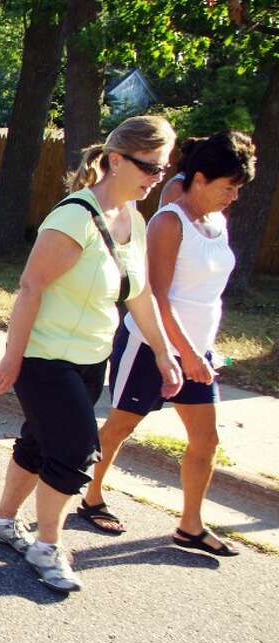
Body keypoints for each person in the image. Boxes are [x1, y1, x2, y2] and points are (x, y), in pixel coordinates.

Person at [0, 116, 183, 593]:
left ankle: (3, 521)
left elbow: (138, 295)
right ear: (116, 160)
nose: (158, 177)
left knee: (39, 441)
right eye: (150, 167)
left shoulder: (132, 219)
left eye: (163, 168)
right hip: (45, 357)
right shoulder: (75, 216)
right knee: (75, 451)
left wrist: (163, 352)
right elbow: (30, 287)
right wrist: (13, 358)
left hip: (92, 358)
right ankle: (47, 545)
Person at [78, 132, 255, 555]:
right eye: (227, 186)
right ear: (199, 178)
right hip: (149, 347)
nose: (232, 196)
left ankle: (190, 525)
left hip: (198, 353)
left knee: (206, 440)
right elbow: (156, 296)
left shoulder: (217, 223)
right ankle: (89, 495)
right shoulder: (168, 222)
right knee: (121, 426)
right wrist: (184, 353)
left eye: (237, 188)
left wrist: (200, 351)